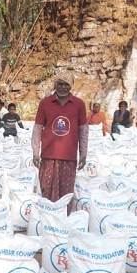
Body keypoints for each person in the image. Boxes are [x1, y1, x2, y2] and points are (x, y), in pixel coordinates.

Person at [31, 74, 88, 203]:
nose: (63, 87)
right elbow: (37, 129)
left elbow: (83, 131)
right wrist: (35, 152)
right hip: (48, 156)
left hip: (69, 157)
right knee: (46, 191)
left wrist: (83, 154)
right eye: (60, 84)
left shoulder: (79, 104)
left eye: (66, 84)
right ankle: (47, 220)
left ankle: (62, 221)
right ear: (55, 85)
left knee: (65, 195)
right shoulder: (45, 103)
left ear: (71, 86)